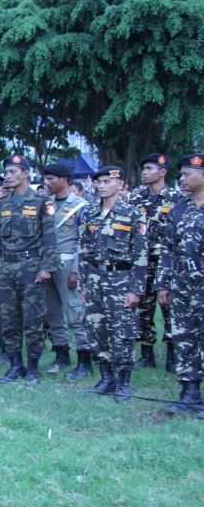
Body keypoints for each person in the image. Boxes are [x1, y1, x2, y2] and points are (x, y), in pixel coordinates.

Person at [79, 166, 148, 402]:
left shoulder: (133, 215)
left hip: (122, 280)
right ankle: (106, 376)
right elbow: (84, 250)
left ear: (120, 185)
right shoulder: (89, 214)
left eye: (106, 181)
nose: (100, 186)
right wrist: (85, 285)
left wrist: (135, 289)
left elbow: (141, 255)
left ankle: (123, 380)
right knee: (96, 329)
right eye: (97, 182)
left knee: (122, 332)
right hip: (96, 278)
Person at [0, 155, 57, 383]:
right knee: (8, 318)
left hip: (31, 267)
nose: (8, 176)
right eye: (6, 172)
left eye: (13, 172)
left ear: (25, 174)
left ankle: (33, 367)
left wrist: (47, 267)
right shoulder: (3, 203)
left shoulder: (42, 200)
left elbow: (49, 237)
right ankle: (15, 364)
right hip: (6, 266)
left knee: (32, 319)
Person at [157, 153, 204, 418]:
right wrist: (164, 283)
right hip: (182, 285)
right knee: (185, 338)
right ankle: (189, 393)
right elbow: (167, 249)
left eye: (187, 174)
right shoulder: (180, 209)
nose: (182, 179)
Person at [127, 153, 182, 372]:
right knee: (143, 308)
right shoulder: (135, 198)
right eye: (144, 168)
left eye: (150, 168)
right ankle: (147, 352)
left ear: (163, 172)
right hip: (142, 261)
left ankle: (172, 354)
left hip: (165, 261)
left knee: (170, 307)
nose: (145, 172)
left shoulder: (177, 199)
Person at [41, 163, 93, 376]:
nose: (47, 183)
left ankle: (84, 361)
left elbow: (84, 240)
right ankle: (61, 355)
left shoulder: (80, 206)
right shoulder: (48, 203)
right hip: (47, 264)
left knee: (75, 313)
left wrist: (76, 271)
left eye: (51, 178)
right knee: (52, 313)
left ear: (65, 179)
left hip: (68, 264)